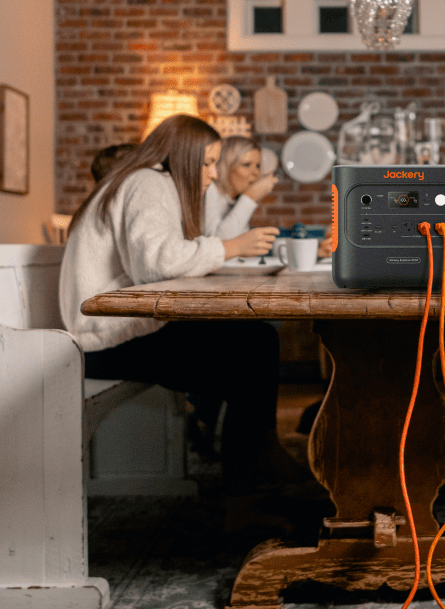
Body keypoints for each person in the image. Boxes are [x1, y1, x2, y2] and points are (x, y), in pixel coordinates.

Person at [59, 114, 289, 536]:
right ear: (180, 156)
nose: (212, 174)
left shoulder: (141, 181)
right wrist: (230, 247)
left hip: (114, 330)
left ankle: (254, 458)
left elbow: (160, 260)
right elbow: (156, 264)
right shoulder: (149, 182)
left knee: (253, 342)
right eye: (207, 162)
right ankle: (245, 492)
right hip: (105, 339)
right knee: (252, 349)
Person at [204, 135, 277, 239]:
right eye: (246, 165)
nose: (256, 172)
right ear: (227, 166)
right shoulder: (209, 189)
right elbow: (218, 243)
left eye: (258, 166)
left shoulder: (234, 200)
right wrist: (250, 197)